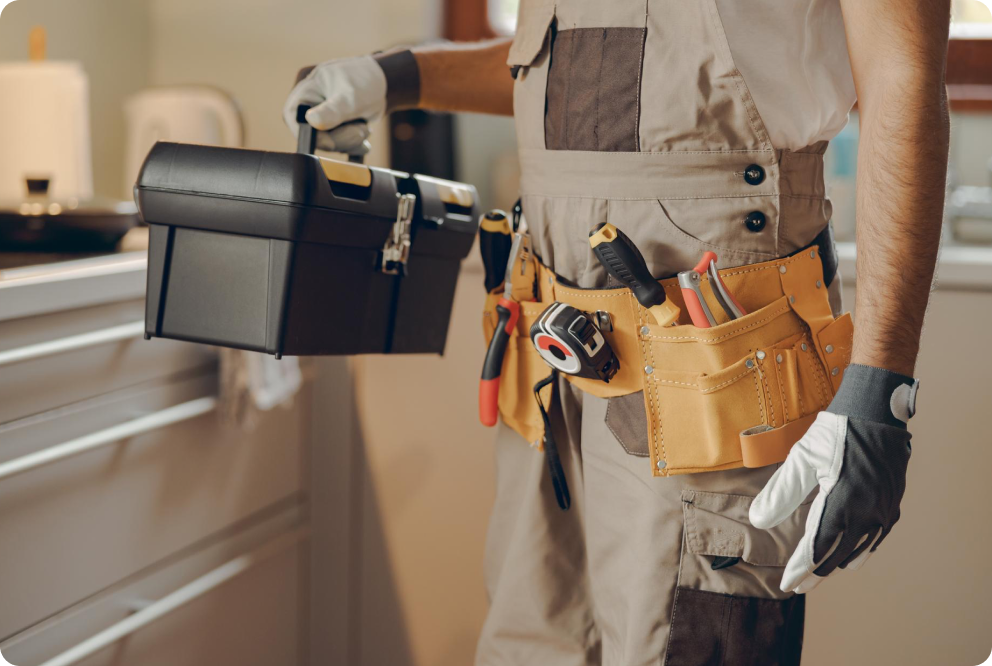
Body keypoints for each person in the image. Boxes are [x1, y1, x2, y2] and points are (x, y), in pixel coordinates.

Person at [283, 0, 951, 663]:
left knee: (688, 639)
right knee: (532, 646)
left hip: (709, 374)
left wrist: (878, 394)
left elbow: (904, 74)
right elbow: (565, 70)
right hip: (548, 372)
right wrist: (394, 77)